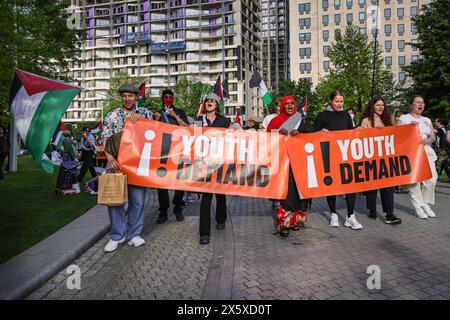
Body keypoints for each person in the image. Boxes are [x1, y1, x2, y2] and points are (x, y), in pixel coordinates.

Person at [102, 83, 153, 252]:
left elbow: (154, 135)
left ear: (136, 97)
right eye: (124, 96)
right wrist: (110, 158)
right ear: (121, 97)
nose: (127, 99)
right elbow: (105, 139)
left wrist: (143, 123)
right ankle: (117, 236)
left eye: (130, 96)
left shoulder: (145, 113)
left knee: (137, 201)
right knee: (114, 201)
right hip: (117, 164)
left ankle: (134, 235)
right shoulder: (112, 116)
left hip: (138, 165)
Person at [314, 90, 363, 230]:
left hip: (345, 156)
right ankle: (334, 214)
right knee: (331, 186)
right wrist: (320, 133)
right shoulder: (322, 115)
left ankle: (350, 216)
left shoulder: (346, 115)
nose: (339, 104)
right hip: (328, 157)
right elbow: (311, 133)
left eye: (341, 101)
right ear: (331, 101)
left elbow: (350, 131)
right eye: (337, 101)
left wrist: (357, 130)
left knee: (350, 186)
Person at [267, 96, 313, 237]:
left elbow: (310, 138)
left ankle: (297, 221)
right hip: (283, 162)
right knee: (286, 193)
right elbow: (267, 139)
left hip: (300, 162)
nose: (289, 106)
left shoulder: (302, 120)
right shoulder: (275, 121)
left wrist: (300, 134)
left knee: (300, 192)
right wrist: (277, 134)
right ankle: (284, 224)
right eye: (286, 104)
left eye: (291, 103)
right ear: (282, 106)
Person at [194, 93, 231, 245]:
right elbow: (193, 140)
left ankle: (221, 219)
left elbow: (232, 139)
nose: (209, 103)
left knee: (221, 195)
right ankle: (204, 233)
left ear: (217, 104)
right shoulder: (198, 121)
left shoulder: (224, 121)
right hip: (205, 165)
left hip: (220, 163)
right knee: (206, 198)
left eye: (212, 101)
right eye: (207, 101)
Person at [359, 97, 401, 224]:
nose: (381, 107)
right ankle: (372, 209)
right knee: (373, 185)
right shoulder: (366, 120)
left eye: (383, 105)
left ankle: (389, 213)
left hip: (386, 158)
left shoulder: (388, 120)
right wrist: (372, 131)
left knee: (388, 186)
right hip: (371, 158)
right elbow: (361, 136)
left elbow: (396, 133)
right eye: (378, 105)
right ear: (373, 106)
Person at [152, 89, 190, 224]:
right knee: (161, 182)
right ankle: (163, 211)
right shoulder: (157, 113)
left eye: (170, 97)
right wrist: (155, 120)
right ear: (162, 98)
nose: (168, 98)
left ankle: (178, 207)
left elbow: (187, 127)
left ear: (173, 98)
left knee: (180, 180)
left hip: (178, 150)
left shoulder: (180, 112)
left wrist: (175, 116)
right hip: (163, 151)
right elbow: (151, 132)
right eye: (166, 97)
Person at [398, 95, 437, 219]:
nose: (421, 104)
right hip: (411, 151)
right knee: (415, 180)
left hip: (425, 149)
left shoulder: (427, 120)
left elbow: (432, 136)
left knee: (431, 178)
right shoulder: (404, 118)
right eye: (418, 102)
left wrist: (426, 141)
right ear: (411, 104)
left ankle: (426, 203)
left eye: (422, 102)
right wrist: (408, 127)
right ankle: (418, 206)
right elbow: (397, 133)